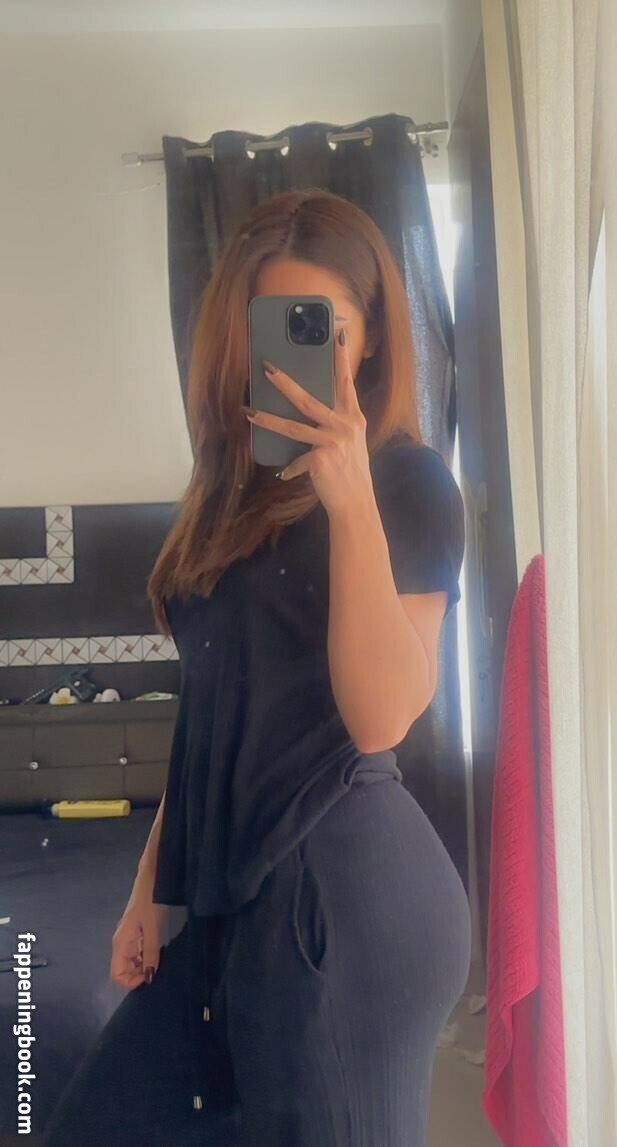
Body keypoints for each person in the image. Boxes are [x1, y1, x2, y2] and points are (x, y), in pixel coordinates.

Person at [42, 188, 472, 1146]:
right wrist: (150, 887)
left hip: (343, 898)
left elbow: (383, 715)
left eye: (319, 326)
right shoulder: (229, 497)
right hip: (230, 895)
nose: (286, 355)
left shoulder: (408, 484)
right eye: (266, 326)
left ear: (368, 338)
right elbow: (213, 710)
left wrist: (350, 504)